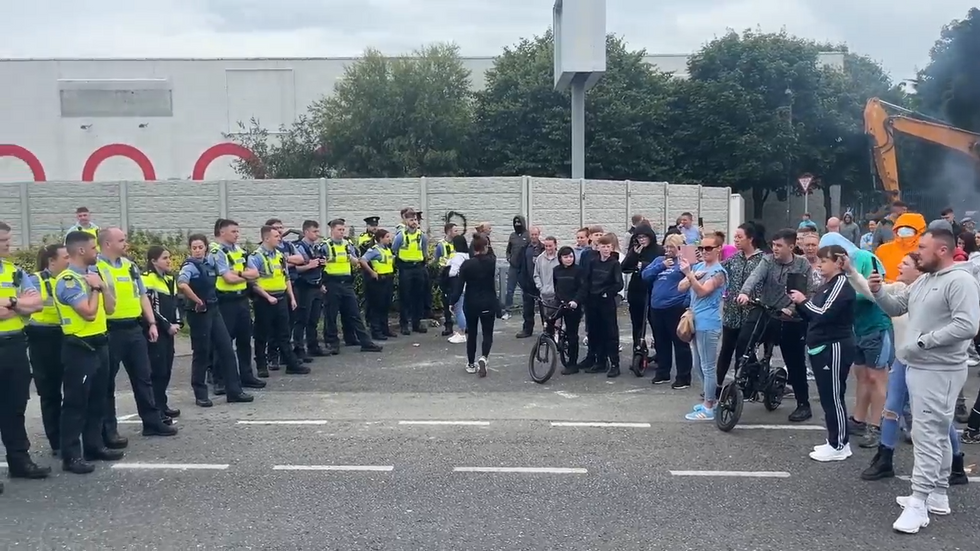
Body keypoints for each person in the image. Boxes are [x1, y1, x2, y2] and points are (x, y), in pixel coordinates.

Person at [870, 228, 979, 534]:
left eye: (923, 247)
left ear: (942, 251)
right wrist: (878, 292)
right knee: (936, 432)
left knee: (927, 434)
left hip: (940, 369)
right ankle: (938, 494)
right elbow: (897, 307)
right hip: (922, 367)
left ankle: (919, 503)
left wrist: (922, 343)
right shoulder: (926, 281)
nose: (917, 252)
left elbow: (967, 325)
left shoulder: (960, 281)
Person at [851, 253, 968, 485]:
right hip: (903, 360)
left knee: (939, 417)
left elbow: (961, 325)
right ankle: (885, 459)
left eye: (905, 263)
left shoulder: (933, 294)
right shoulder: (899, 290)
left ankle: (956, 464)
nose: (899, 266)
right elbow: (871, 292)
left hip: (928, 363)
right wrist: (851, 272)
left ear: (919, 270)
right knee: (891, 408)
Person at [97, 227, 176, 442]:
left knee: (144, 377)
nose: (126, 243)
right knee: (107, 383)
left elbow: (142, 296)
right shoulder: (96, 267)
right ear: (107, 244)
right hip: (110, 330)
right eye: (121, 240)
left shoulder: (130, 266)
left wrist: (151, 323)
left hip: (134, 328)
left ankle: (152, 422)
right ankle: (109, 430)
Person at [56, 230, 124, 474]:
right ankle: (71, 455)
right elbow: (88, 312)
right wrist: (95, 289)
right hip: (79, 347)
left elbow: (111, 308)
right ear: (81, 250)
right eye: (94, 248)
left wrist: (101, 287)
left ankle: (94, 445)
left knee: (99, 398)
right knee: (76, 403)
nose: (97, 252)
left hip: (100, 343)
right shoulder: (68, 280)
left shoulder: (93, 275)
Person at [821, 232, 893, 448]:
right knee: (861, 375)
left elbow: (875, 291)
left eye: (827, 258)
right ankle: (859, 420)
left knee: (876, 377)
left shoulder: (864, 257)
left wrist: (846, 295)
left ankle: (876, 426)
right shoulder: (839, 268)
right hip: (858, 328)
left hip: (876, 326)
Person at [737, 228, 814, 422]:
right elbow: (755, 276)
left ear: (791, 246)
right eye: (773, 245)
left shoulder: (802, 265)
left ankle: (803, 404)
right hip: (765, 310)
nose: (775, 248)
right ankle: (753, 376)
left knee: (795, 363)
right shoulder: (767, 260)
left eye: (779, 245)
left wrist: (791, 309)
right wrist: (745, 292)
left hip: (789, 317)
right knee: (744, 341)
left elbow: (807, 292)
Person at [789, 244, 857, 461]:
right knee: (827, 395)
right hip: (821, 346)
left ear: (838, 262)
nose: (819, 264)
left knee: (834, 396)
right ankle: (834, 440)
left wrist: (803, 301)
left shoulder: (840, 285)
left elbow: (822, 314)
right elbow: (813, 314)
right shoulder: (826, 285)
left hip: (834, 346)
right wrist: (800, 304)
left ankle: (840, 445)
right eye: (819, 260)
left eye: (824, 260)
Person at [0, 221, 50, 487]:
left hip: (15, 345)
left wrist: (12, 303)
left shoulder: (14, 272)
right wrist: (20, 305)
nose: (9, 245)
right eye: (3, 241)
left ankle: (19, 461)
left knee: (15, 405)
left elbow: (37, 304)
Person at [178, 234, 253, 407]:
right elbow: (182, 284)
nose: (197, 250)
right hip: (199, 312)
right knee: (201, 353)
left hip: (214, 309)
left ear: (205, 248)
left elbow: (226, 272)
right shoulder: (190, 266)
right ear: (190, 249)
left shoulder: (210, 263)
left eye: (200, 247)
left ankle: (234, 391)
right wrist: (197, 300)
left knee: (226, 349)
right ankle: (200, 394)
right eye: (194, 247)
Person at [210, 219, 266, 390]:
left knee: (244, 340)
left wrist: (239, 273)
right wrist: (244, 275)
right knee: (224, 341)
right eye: (233, 231)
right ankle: (220, 379)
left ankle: (246, 375)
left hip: (241, 299)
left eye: (237, 231)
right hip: (225, 301)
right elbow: (227, 278)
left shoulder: (240, 251)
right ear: (222, 232)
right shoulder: (217, 252)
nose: (237, 234)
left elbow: (255, 273)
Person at [26, 244, 70, 456]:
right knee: (50, 393)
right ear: (52, 261)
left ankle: (70, 435)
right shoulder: (36, 280)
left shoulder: (70, 278)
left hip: (66, 335)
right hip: (43, 338)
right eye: (65, 256)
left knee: (72, 390)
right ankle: (57, 442)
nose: (70, 260)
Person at [678, 233, 727, 420]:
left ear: (718, 249)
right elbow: (681, 287)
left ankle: (709, 406)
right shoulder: (699, 266)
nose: (704, 251)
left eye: (709, 248)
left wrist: (690, 276)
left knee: (707, 366)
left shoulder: (718, 272)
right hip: (695, 320)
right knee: (697, 364)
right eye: (702, 248)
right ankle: (709, 399)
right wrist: (690, 275)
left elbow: (702, 291)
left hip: (708, 322)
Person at [248, 225, 308, 377]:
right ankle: (262, 365)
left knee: (284, 333)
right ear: (266, 238)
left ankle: (290, 363)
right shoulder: (255, 257)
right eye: (276, 236)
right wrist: (267, 297)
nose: (280, 238)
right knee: (262, 334)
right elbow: (253, 283)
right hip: (264, 300)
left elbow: (285, 277)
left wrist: (292, 298)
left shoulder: (279, 255)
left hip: (281, 298)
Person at [717, 222, 767, 398]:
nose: (736, 241)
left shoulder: (763, 260)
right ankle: (718, 386)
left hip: (751, 313)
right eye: (735, 237)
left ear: (750, 239)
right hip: (731, 312)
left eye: (740, 237)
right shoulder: (734, 259)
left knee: (745, 351)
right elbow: (719, 270)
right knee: (726, 350)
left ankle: (748, 387)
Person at [322, 219, 382, 353]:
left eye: (343, 230)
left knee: (354, 313)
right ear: (332, 230)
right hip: (332, 283)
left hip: (346, 283)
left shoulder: (347, 244)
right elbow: (320, 266)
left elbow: (354, 260)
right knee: (331, 315)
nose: (342, 232)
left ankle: (365, 342)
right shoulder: (325, 246)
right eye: (339, 230)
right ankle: (332, 343)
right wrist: (321, 284)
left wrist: (360, 261)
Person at [642, 234, 692, 388]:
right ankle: (663, 372)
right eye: (667, 247)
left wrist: (686, 303)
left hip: (675, 307)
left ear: (679, 248)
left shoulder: (685, 262)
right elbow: (645, 276)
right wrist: (662, 265)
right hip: (657, 307)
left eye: (672, 247)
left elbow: (692, 280)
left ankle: (683, 377)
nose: (668, 250)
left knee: (679, 343)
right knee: (661, 342)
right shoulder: (659, 261)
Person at [449, 234, 500, 376]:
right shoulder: (491, 262)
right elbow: (491, 254)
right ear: (485, 247)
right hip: (489, 302)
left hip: (471, 303)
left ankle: (471, 364)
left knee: (471, 334)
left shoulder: (467, 265)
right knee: (487, 333)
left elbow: (459, 287)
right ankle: (484, 357)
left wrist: (452, 302)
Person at [143, 245, 182, 424]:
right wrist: (166, 326)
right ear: (153, 261)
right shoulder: (147, 279)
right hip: (156, 331)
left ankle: (162, 403)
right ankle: (156, 408)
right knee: (157, 370)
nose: (169, 261)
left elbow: (175, 304)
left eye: (169, 257)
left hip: (169, 332)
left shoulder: (170, 279)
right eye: (165, 258)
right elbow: (150, 307)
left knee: (166, 368)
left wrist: (178, 322)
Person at [581, 234, 625, 377]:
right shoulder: (593, 262)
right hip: (592, 302)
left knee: (610, 333)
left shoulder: (614, 264)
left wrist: (607, 292)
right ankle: (600, 361)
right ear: (598, 247)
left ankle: (614, 364)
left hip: (606, 303)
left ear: (612, 248)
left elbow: (619, 284)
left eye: (608, 247)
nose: (606, 249)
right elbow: (587, 280)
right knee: (594, 332)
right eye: (603, 246)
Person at [264, 218, 305, 369]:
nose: (280, 231)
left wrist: (285, 259)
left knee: (288, 324)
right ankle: (272, 356)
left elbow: (301, 259)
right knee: (273, 327)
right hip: (272, 291)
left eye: (281, 227)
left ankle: (285, 356)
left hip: (290, 286)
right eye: (276, 228)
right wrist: (290, 262)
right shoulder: (264, 249)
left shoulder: (288, 245)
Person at [621, 224, 662, 350]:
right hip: (637, 289)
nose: (642, 240)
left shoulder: (659, 250)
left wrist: (643, 265)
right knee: (637, 323)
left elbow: (660, 267)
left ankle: (660, 352)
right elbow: (624, 267)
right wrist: (633, 254)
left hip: (652, 289)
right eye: (639, 238)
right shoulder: (636, 249)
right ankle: (638, 349)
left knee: (655, 323)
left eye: (644, 237)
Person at [292, 220, 327, 360]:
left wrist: (321, 264)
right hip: (304, 287)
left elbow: (318, 266)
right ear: (306, 232)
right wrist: (310, 265)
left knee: (314, 319)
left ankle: (313, 346)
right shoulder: (298, 248)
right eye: (315, 231)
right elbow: (294, 269)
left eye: (318, 231)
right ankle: (298, 348)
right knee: (302, 319)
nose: (317, 234)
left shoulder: (316, 247)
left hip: (316, 286)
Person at [392, 209, 429, 334]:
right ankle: (404, 325)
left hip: (418, 267)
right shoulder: (401, 235)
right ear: (406, 221)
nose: (414, 222)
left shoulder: (421, 235)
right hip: (406, 268)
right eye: (411, 220)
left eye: (415, 220)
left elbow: (424, 251)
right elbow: (394, 249)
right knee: (405, 297)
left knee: (418, 296)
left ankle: (416, 323)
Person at [553, 246, 586, 374]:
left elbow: (582, 288)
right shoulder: (556, 270)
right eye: (566, 257)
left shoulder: (578, 271)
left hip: (573, 306)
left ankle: (572, 364)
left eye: (571, 256)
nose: (569, 259)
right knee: (549, 319)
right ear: (560, 258)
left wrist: (575, 301)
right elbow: (557, 287)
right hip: (560, 303)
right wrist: (558, 300)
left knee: (572, 335)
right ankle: (552, 340)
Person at [359, 229, 397, 341]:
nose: (389, 239)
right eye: (387, 237)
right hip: (379, 281)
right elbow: (363, 260)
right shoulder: (374, 250)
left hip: (388, 280)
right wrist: (372, 272)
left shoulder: (387, 250)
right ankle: (376, 331)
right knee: (377, 306)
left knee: (386, 305)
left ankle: (385, 329)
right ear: (380, 238)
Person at [875, 213, 927, 283]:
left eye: (909, 229)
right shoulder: (883, 249)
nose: (904, 231)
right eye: (900, 228)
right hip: (885, 290)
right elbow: (875, 272)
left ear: (920, 231)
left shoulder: (925, 251)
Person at [515, 226, 544, 338]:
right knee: (528, 309)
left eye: (536, 234)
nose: (534, 237)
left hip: (541, 283)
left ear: (539, 234)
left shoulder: (543, 248)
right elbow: (519, 264)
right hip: (527, 283)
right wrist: (521, 280)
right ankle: (527, 329)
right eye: (532, 234)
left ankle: (547, 330)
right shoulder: (525, 248)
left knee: (544, 309)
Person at [434, 223, 459, 337]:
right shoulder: (441, 245)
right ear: (449, 231)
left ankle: (463, 324)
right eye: (455, 231)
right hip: (445, 273)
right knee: (446, 300)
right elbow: (437, 259)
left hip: (456, 273)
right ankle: (448, 325)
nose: (457, 233)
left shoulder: (458, 243)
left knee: (458, 299)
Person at [446, 235, 470, 345]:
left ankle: (461, 332)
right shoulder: (467, 255)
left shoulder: (457, 257)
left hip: (458, 285)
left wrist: (447, 265)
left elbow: (452, 272)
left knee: (458, 309)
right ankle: (464, 329)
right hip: (467, 285)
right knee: (464, 308)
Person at [503, 215, 530, 315]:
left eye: (519, 223)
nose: (517, 225)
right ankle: (507, 311)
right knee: (510, 289)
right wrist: (509, 258)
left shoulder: (528, 235)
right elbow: (508, 250)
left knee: (525, 290)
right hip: (513, 267)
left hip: (524, 268)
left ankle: (526, 310)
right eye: (515, 223)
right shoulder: (512, 236)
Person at [533, 235, 560, 310]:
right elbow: (536, 275)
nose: (548, 248)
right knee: (546, 319)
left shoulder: (560, 258)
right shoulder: (540, 258)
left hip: (557, 295)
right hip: (544, 295)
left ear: (555, 245)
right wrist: (540, 288)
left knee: (556, 318)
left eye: (550, 246)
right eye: (546, 246)